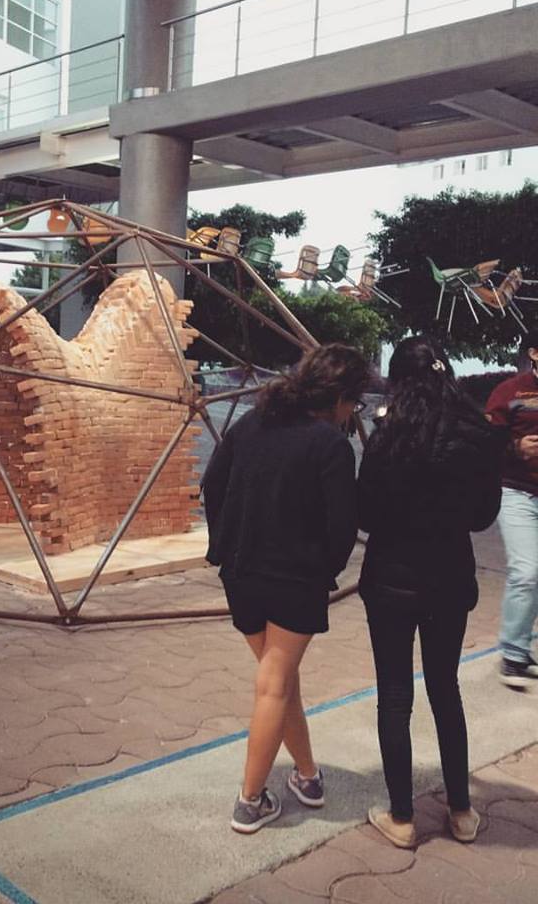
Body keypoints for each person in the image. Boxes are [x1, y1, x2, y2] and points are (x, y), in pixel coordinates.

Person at [202, 343, 372, 834]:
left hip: (241, 573)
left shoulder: (252, 424)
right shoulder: (330, 444)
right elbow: (344, 525)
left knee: (280, 679)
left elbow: (214, 485)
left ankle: (307, 774)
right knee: (275, 683)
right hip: (294, 580)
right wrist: (324, 572)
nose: (351, 414)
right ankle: (249, 801)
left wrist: (224, 544)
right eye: (354, 403)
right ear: (339, 396)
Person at [358, 337, 502, 848]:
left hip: (391, 582)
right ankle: (461, 811)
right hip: (448, 581)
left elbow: (366, 515)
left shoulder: (387, 435)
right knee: (445, 689)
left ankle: (401, 818)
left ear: (398, 380)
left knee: (395, 695)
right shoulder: (474, 434)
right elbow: (484, 516)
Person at [484, 329, 538, 688]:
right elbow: (486, 443)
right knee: (527, 571)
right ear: (534, 353)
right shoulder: (510, 391)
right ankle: (514, 654)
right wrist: (516, 449)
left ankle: (522, 645)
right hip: (518, 493)